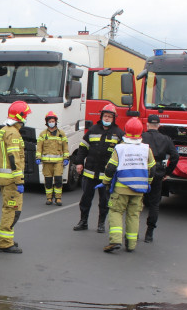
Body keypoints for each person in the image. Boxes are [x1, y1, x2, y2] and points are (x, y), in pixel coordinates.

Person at [100, 117, 156, 253]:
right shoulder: (146, 149)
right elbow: (152, 169)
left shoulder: (120, 148)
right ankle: (131, 245)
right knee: (133, 215)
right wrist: (147, 183)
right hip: (139, 190)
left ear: (126, 131)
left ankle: (115, 241)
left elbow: (110, 168)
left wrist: (105, 182)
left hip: (121, 188)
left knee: (115, 212)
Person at [73, 103, 124, 232]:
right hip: (89, 173)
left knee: (105, 201)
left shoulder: (118, 134)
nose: (106, 119)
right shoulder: (93, 130)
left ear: (113, 119)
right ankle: (83, 221)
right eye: (105, 116)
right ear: (101, 116)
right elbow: (82, 148)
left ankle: (101, 224)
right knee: (85, 199)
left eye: (109, 117)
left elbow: (122, 154)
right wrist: (79, 163)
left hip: (106, 176)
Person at [0, 101, 30, 254]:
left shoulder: (3, 130)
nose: (26, 118)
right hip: (11, 180)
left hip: (4, 178)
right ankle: (4, 242)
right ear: (19, 116)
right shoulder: (14, 133)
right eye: (25, 115)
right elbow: (14, 159)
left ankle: (2, 237)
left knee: (7, 208)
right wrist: (19, 181)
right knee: (12, 209)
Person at [141, 114, 179, 243]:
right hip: (157, 173)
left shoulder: (142, 137)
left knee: (135, 201)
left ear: (147, 125)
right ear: (159, 125)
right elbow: (175, 157)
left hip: (142, 171)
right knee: (154, 203)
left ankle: (132, 231)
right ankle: (149, 233)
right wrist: (167, 172)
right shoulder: (166, 139)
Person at [35, 111, 69, 205]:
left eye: (53, 121)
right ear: (47, 122)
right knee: (48, 181)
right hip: (46, 163)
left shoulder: (61, 134)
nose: (51, 122)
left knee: (58, 180)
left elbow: (65, 147)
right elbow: (39, 147)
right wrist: (38, 157)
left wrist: (66, 158)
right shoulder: (43, 134)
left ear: (56, 121)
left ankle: (58, 198)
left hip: (58, 162)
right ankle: (49, 198)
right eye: (50, 121)